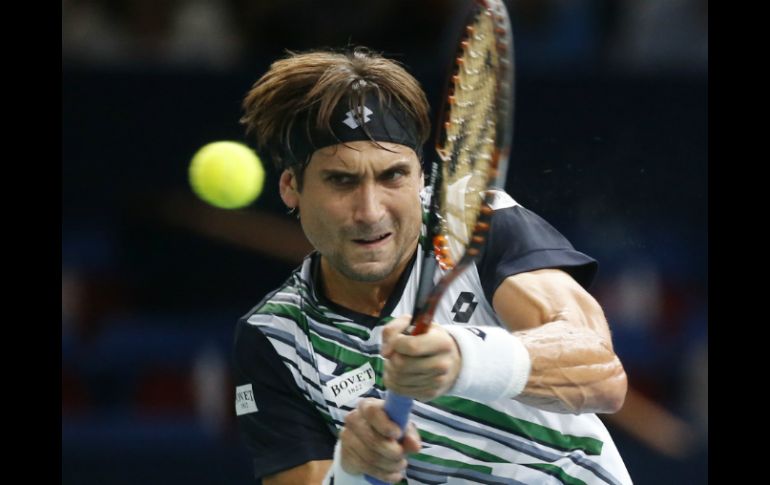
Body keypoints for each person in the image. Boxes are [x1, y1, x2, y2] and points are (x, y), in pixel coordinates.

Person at [233, 46, 632, 485]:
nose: (370, 211)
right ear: (291, 187)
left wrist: (462, 358)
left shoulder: (471, 223)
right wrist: (353, 469)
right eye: (341, 180)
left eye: (392, 176)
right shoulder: (276, 337)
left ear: (422, 176)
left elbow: (601, 373)